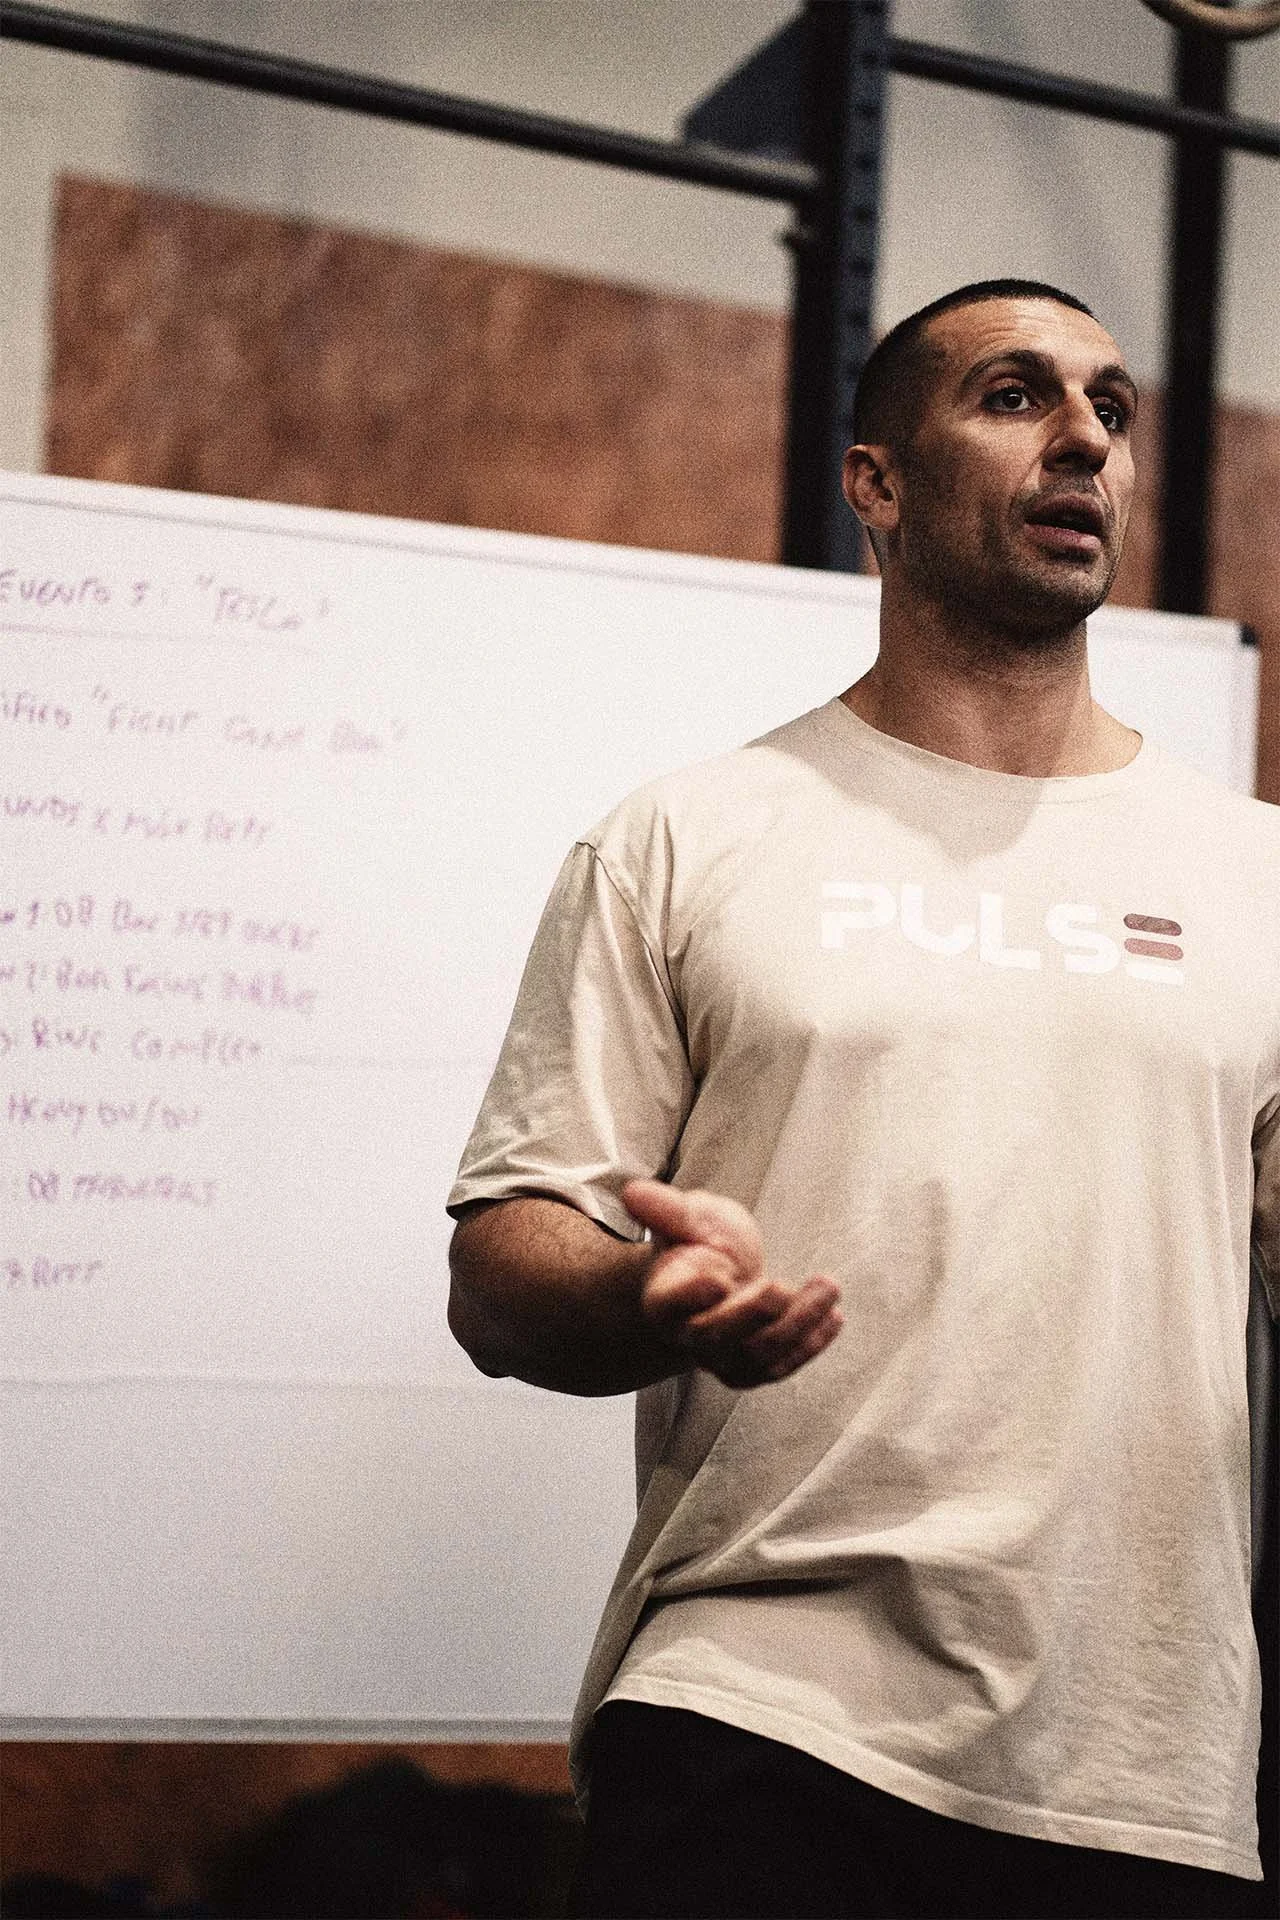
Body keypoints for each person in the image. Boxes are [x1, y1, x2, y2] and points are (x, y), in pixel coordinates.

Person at [446, 279, 1280, 1919]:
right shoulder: (689, 838)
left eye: (1112, 410)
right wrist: (648, 1295)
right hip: (763, 1710)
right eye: (1017, 395)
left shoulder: (1256, 876)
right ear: (878, 483)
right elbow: (501, 1266)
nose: (1083, 444)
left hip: (1144, 1765)